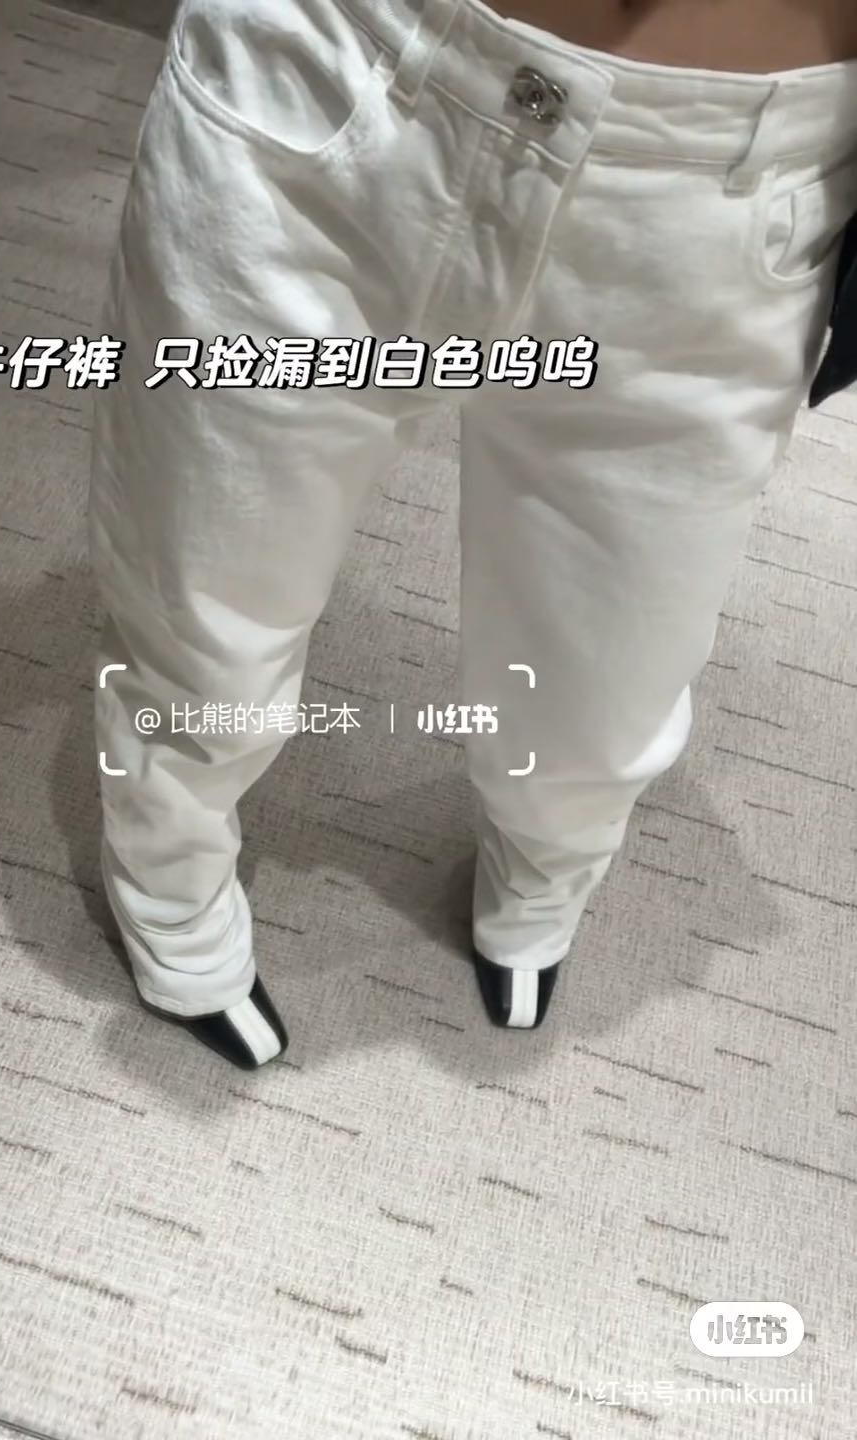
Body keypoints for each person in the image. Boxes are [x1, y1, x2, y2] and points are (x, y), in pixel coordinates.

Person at [88, 0, 857, 1069]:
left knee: (604, 687)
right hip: (337, 76)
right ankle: (167, 887)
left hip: (719, 197)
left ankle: (543, 876)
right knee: (203, 598)